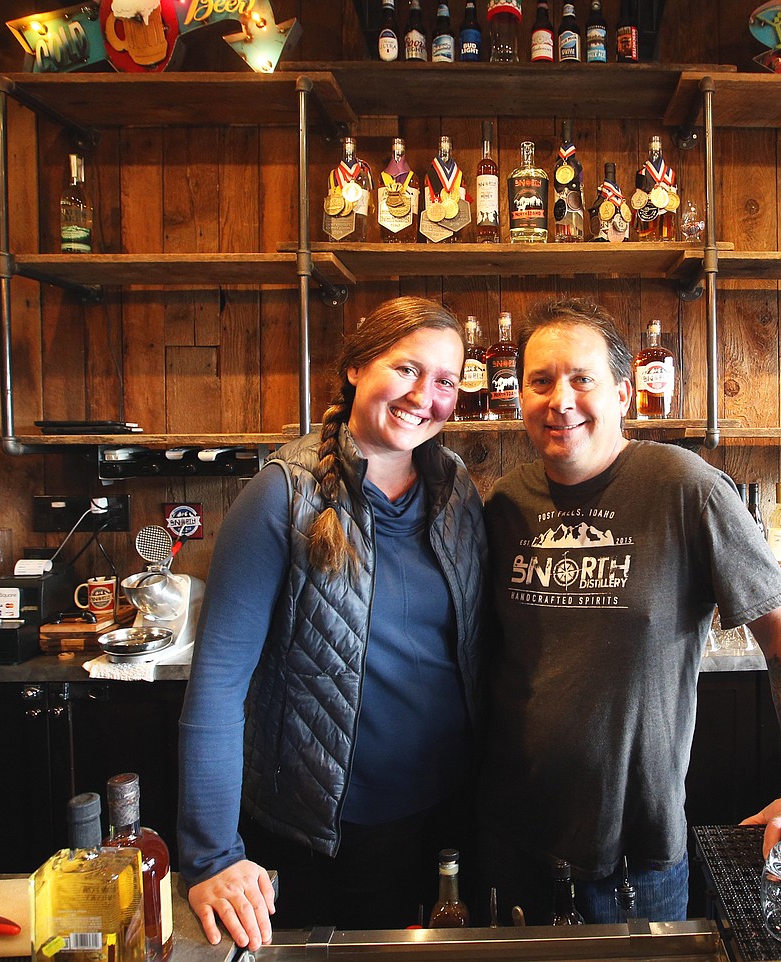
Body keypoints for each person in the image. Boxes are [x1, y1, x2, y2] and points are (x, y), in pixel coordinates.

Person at [478, 297, 781, 924]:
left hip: (633, 858)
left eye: (581, 379)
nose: (559, 399)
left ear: (623, 393)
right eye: (540, 381)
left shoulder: (684, 486)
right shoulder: (507, 502)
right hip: (513, 844)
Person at [177, 296, 486, 949]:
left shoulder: (455, 488)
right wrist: (211, 856)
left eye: (445, 381)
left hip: (443, 822)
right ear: (355, 368)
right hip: (328, 834)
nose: (423, 396)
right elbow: (216, 684)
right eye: (406, 369)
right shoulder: (282, 494)